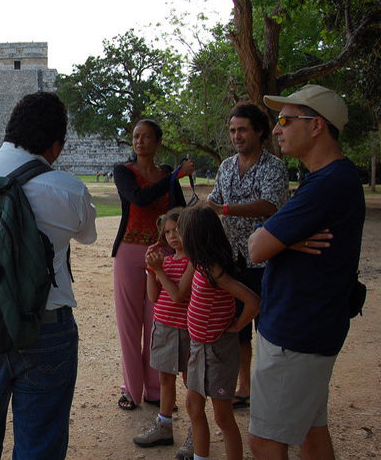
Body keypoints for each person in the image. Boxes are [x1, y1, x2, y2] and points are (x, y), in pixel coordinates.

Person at [0, 91, 98, 459]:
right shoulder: (69, 189)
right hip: (46, 325)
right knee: (40, 443)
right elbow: (87, 235)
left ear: (8, 130)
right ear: (56, 146)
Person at [248, 85, 365, 459]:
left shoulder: (328, 185)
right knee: (313, 433)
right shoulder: (331, 180)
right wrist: (284, 237)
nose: (277, 129)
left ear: (316, 126)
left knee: (265, 441)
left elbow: (255, 248)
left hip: (295, 333)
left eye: (285, 120)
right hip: (311, 327)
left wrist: (278, 238)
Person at [202, 102, 288, 409]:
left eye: (242, 129)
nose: (236, 136)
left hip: (268, 261)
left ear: (259, 131)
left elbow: (270, 205)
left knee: (268, 327)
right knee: (237, 327)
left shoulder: (273, 167)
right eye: (232, 130)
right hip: (233, 260)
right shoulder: (226, 166)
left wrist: (224, 210)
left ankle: (270, 390)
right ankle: (245, 387)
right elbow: (211, 203)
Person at [111, 119, 194, 410]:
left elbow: (181, 211)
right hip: (129, 252)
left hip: (163, 255)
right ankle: (131, 390)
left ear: (158, 143)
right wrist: (173, 179)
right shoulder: (124, 171)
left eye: (147, 137)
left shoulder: (166, 174)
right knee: (129, 326)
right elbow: (139, 199)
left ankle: (155, 388)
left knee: (158, 323)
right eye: (136, 136)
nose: (140, 141)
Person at [180, 205, 260, 460]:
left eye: (182, 233)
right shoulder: (199, 264)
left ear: (195, 237)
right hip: (198, 348)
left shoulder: (213, 270)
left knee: (223, 416)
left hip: (217, 350)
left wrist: (237, 326)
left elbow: (253, 301)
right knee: (193, 406)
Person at [133, 208, 195, 458]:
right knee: (165, 379)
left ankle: (196, 431)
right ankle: (164, 425)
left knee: (192, 383)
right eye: (167, 232)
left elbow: (179, 294)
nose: (172, 236)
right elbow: (153, 296)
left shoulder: (194, 261)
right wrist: (151, 269)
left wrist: (158, 271)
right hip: (164, 328)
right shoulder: (167, 261)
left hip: (188, 330)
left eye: (177, 230)